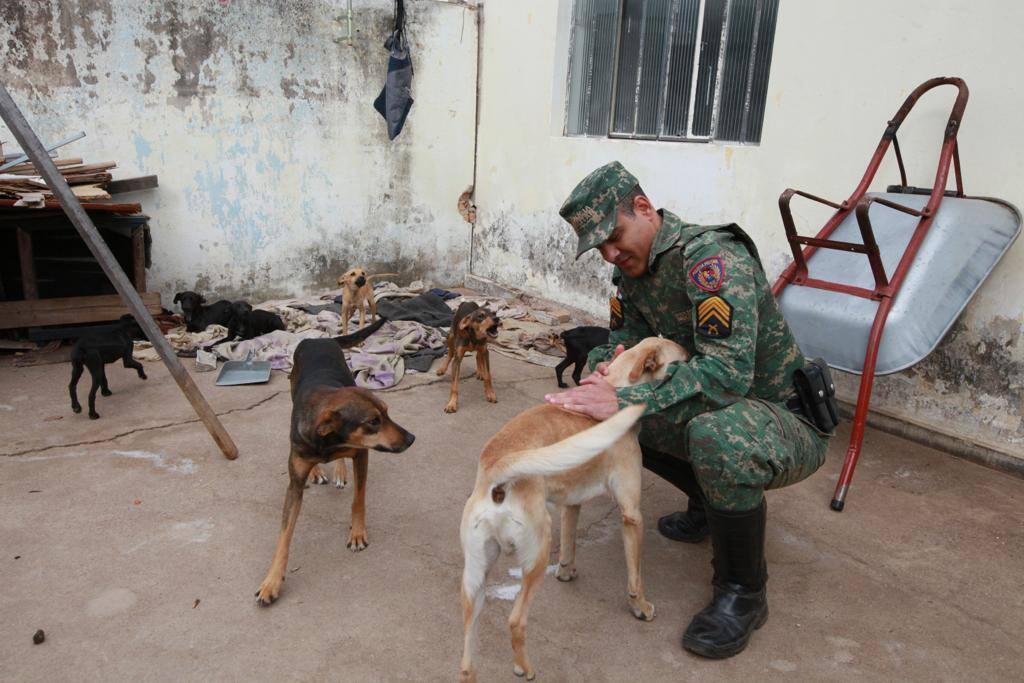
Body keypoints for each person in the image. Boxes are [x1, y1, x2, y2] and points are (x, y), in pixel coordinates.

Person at [545, 161, 832, 659]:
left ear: (642, 207)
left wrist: (626, 396)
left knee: (713, 434)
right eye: (601, 248)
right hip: (725, 406)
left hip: (782, 416)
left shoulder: (712, 258)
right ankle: (708, 501)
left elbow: (727, 376)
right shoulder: (630, 273)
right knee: (616, 414)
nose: (611, 253)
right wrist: (601, 374)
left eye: (614, 236)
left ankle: (744, 592)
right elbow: (620, 344)